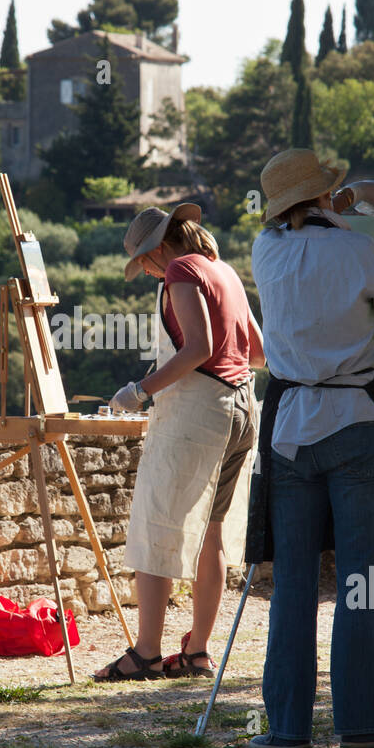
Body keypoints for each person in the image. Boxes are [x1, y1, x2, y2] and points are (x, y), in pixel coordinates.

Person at [245, 149, 374, 748]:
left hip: (290, 428)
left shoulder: (265, 250)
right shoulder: (361, 252)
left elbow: (306, 225)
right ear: (325, 197)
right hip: (354, 422)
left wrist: (337, 203)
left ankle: (288, 729)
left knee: (292, 584)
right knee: (362, 582)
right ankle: (360, 726)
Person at [93, 202, 265, 681]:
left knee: (156, 525)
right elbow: (257, 351)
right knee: (211, 532)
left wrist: (142, 389)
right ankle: (197, 654)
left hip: (198, 415)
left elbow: (198, 348)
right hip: (243, 408)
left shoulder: (181, 271)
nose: (149, 273)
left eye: (146, 263)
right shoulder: (223, 270)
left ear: (157, 251)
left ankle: (146, 652)